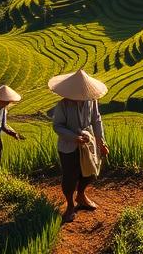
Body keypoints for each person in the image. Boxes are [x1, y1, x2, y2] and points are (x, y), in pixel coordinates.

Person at [49, 70, 110, 222]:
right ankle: (70, 204)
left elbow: (96, 120)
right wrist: (74, 137)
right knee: (70, 176)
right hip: (69, 145)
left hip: (88, 143)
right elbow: (58, 126)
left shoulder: (92, 100)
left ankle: (81, 195)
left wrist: (101, 142)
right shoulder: (63, 105)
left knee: (90, 172)